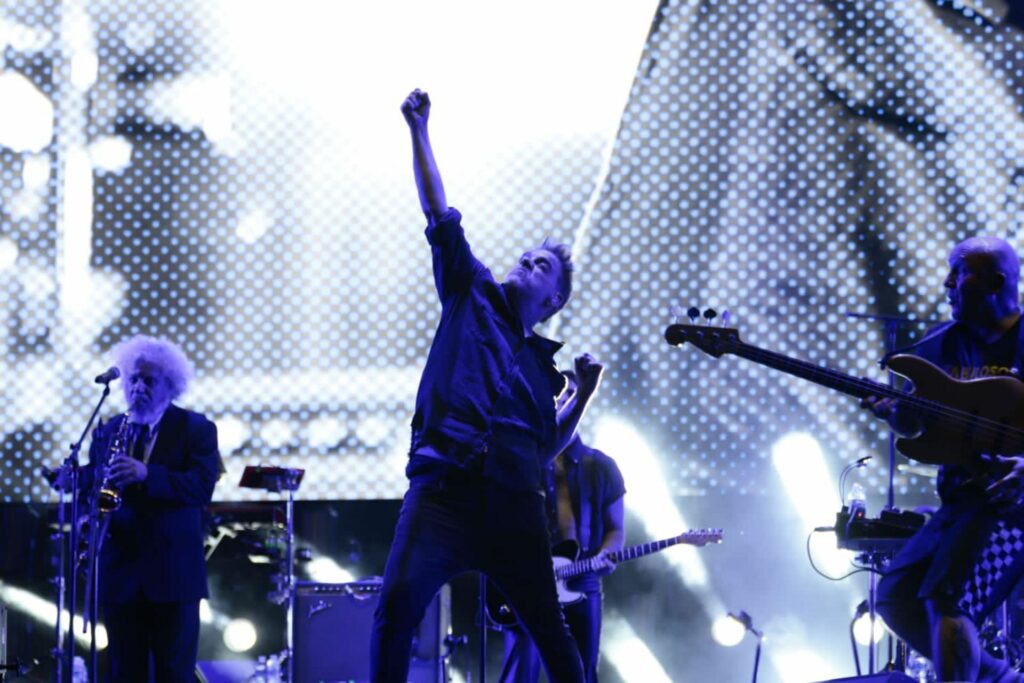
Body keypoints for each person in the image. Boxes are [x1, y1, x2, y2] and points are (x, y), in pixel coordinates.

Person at [369, 89, 601, 683]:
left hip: (514, 509)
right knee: (395, 613)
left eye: (541, 267)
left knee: (551, 631)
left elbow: (545, 442)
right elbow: (438, 212)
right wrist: (418, 129)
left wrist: (583, 394)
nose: (527, 262)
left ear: (552, 302)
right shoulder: (470, 290)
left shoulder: (542, 368)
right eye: (526, 256)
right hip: (443, 491)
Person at [864, 236, 1024, 682]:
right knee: (896, 597)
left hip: (1015, 509)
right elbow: (918, 428)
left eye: (959, 272)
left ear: (994, 282)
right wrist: (897, 417)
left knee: (948, 599)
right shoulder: (940, 346)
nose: (947, 283)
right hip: (962, 502)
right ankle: (1000, 678)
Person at [81, 335, 220, 683]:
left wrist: (148, 474)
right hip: (121, 575)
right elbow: (96, 488)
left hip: (174, 578)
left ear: (170, 386)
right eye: (133, 378)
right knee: (124, 673)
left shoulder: (197, 429)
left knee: (174, 673)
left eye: (149, 380)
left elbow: (201, 487)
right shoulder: (110, 430)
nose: (138, 387)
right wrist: (81, 486)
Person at [497, 370, 625, 683]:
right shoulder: (523, 462)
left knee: (581, 672)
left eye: (569, 396)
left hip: (582, 580)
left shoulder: (602, 466)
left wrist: (607, 555)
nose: (561, 403)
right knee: (519, 673)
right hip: (530, 581)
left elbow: (615, 529)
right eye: (555, 397)